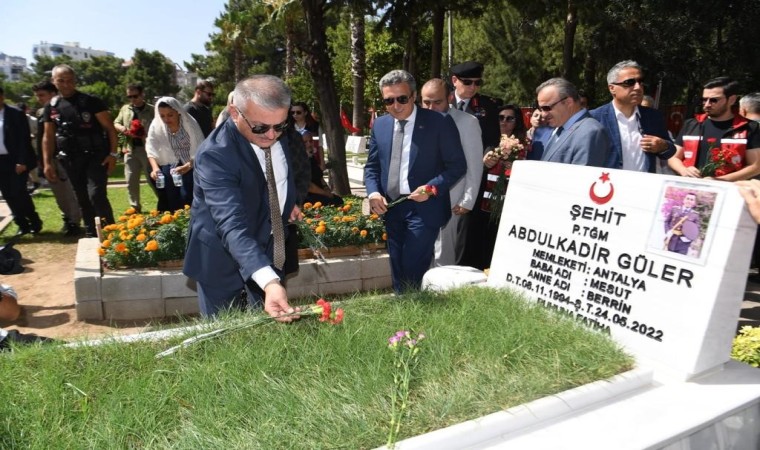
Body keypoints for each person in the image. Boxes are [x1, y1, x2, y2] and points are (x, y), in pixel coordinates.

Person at [184, 75, 302, 320]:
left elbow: (279, 178)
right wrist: (269, 281)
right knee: (224, 334)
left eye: (280, 126)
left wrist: (287, 203)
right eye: (260, 127)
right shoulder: (215, 155)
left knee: (267, 329)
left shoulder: (280, 133)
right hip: (220, 259)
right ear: (235, 113)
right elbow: (231, 223)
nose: (272, 135)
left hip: (270, 249)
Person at [364, 70, 466, 292]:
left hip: (424, 208)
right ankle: (404, 308)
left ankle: (411, 308)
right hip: (392, 206)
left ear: (413, 96)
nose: (396, 106)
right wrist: (373, 193)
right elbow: (372, 167)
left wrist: (431, 188)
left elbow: (457, 165)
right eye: (389, 100)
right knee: (397, 266)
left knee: (412, 267)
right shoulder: (380, 125)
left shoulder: (439, 122)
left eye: (402, 99)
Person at [42, 64, 117, 237]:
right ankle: (91, 233)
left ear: (75, 81)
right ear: (54, 81)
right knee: (82, 198)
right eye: (61, 81)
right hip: (70, 159)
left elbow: (110, 129)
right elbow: (48, 136)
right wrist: (47, 163)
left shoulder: (91, 101)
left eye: (70, 80)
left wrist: (113, 154)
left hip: (95, 156)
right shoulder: (52, 106)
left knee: (96, 194)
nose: (66, 84)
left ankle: (111, 233)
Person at [419, 78, 483, 266]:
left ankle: (442, 285)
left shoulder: (467, 122)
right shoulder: (416, 121)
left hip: (452, 198)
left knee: (443, 254)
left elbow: (474, 164)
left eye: (437, 102)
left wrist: (467, 200)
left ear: (449, 98)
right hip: (419, 197)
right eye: (426, 102)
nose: (431, 108)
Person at [462, 105, 528, 270]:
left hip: (507, 204)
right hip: (481, 202)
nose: (504, 122)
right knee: (476, 239)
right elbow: (471, 168)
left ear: (517, 122)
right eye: (500, 117)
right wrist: (484, 164)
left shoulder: (524, 145)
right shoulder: (486, 140)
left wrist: (516, 167)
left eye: (509, 118)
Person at [590, 60, 676, 173]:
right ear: (612, 88)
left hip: (643, 183)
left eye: (640, 81)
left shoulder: (653, 117)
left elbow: (670, 151)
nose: (638, 87)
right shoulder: (595, 118)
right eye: (629, 82)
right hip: (608, 182)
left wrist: (662, 146)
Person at [669, 77, 760, 181]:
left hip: (729, 188)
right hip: (691, 186)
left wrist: (721, 181)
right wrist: (683, 170)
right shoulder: (691, 124)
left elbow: (755, 166)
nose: (707, 104)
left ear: (732, 100)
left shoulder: (748, 127)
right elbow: (673, 157)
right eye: (704, 100)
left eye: (714, 100)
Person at [32, 81, 82, 236]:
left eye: (42, 95)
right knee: (59, 193)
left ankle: (74, 221)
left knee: (70, 192)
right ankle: (67, 217)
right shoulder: (41, 113)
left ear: (53, 94)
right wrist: (43, 160)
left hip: (66, 156)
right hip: (49, 158)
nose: (39, 99)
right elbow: (42, 138)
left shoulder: (65, 108)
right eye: (37, 96)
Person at [146, 97, 204, 213]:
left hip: (191, 164)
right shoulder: (156, 125)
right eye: (162, 116)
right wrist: (155, 168)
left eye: (170, 115)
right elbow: (151, 148)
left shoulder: (190, 124)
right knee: (170, 200)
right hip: (169, 165)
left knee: (186, 197)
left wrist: (188, 165)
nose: (166, 119)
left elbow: (201, 148)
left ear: (178, 112)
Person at [534, 77, 609, 166]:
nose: (543, 114)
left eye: (547, 108)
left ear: (568, 102)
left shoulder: (590, 132)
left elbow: (583, 174)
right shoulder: (561, 128)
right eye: (540, 109)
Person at [0, 86, 43, 235]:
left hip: (16, 160)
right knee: (7, 194)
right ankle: (22, 224)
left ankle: (34, 220)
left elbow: (24, 139)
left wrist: (22, 161)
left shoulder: (16, 113)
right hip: (1, 161)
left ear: (2, 96)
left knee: (18, 192)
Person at [114, 84, 155, 212]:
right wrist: (123, 129)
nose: (132, 99)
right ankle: (134, 207)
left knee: (152, 178)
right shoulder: (125, 109)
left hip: (148, 150)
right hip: (130, 149)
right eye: (129, 97)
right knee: (131, 180)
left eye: (135, 96)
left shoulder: (152, 110)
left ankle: (164, 202)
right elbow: (116, 122)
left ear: (142, 94)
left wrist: (146, 135)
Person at [449, 61, 501, 150]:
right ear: (454, 81)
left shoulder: (488, 106)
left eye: (477, 83)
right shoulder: (442, 102)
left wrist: (487, 154)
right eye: (467, 82)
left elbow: (492, 139)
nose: (473, 87)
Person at [302, 131, 342, 206]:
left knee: (338, 200)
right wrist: (325, 193)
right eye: (305, 142)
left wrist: (326, 188)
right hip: (308, 195)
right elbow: (308, 186)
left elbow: (319, 177)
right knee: (330, 202)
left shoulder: (311, 157)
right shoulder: (300, 161)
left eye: (310, 141)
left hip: (320, 192)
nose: (309, 144)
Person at [290, 101, 324, 171]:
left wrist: (322, 163)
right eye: (292, 112)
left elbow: (319, 145)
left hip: (312, 162)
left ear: (305, 113)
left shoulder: (315, 126)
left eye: (298, 112)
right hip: (293, 163)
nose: (295, 114)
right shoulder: (288, 127)